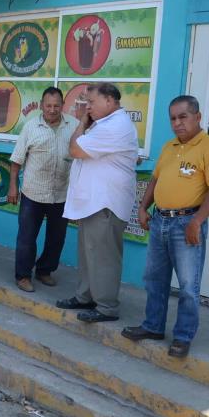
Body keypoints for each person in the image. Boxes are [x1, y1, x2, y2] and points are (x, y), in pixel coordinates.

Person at [122, 96, 209, 358]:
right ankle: (153, 326)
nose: (177, 123)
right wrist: (143, 208)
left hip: (187, 224)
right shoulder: (169, 147)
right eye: (173, 118)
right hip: (160, 221)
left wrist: (197, 221)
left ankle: (182, 336)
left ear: (197, 117)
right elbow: (156, 180)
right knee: (154, 279)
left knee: (189, 285)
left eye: (183, 117)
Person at [56, 83, 138, 322]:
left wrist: (82, 123)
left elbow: (75, 150)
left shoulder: (115, 126)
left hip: (105, 204)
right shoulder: (103, 124)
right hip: (93, 203)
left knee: (103, 257)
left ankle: (106, 307)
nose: (87, 107)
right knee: (88, 254)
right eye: (86, 103)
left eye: (91, 102)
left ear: (110, 101)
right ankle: (85, 297)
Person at [7, 87, 79, 292]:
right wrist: (13, 185)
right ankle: (22, 275)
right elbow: (17, 160)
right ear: (41, 105)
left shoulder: (74, 126)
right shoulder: (31, 127)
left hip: (61, 193)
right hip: (33, 193)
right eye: (48, 105)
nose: (52, 110)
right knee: (27, 238)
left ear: (63, 105)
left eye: (57, 105)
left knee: (57, 239)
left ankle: (44, 270)